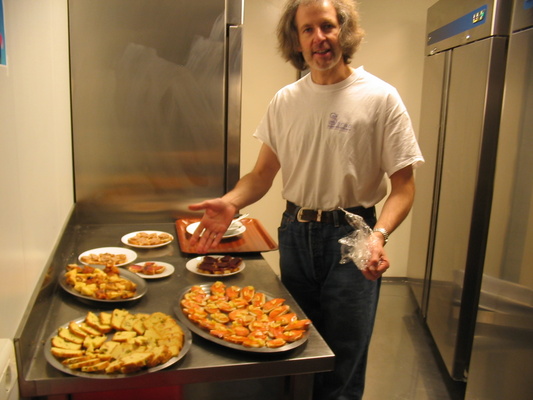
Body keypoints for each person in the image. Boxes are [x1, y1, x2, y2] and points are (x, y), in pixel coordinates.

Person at [188, 0, 424, 399]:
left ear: (344, 31)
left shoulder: (381, 97)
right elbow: (263, 174)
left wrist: (379, 235)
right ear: (295, 41)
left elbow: (404, 185)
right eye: (308, 30)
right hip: (296, 234)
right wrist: (232, 202)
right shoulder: (286, 100)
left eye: (328, 27)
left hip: (353, 239)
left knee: (345, 354)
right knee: (295, 343)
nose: (320, 39)